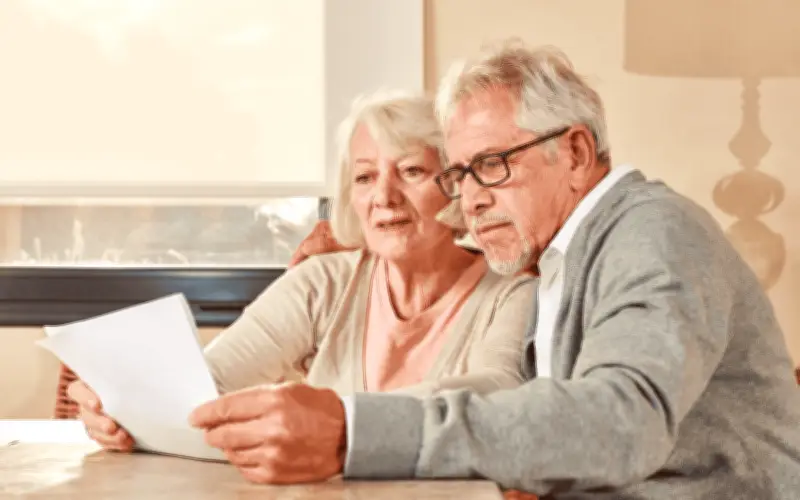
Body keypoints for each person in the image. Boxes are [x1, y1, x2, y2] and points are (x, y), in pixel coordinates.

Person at [186, 41, 800, 498]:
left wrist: (355, 429)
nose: (471, 198)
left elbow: (622, 422)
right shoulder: (554, 259)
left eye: (492, 165)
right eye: (459, 173)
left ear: (577, 153)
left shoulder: (654, 233)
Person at [67, 91, 537, 465]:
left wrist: (339, 421)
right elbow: (205, 387)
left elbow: (498, 393)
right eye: (365, 177)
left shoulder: (511, 289)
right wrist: (117, 406)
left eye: (411, 171)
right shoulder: (324, 282)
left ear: (455, 184)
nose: (384, 197)